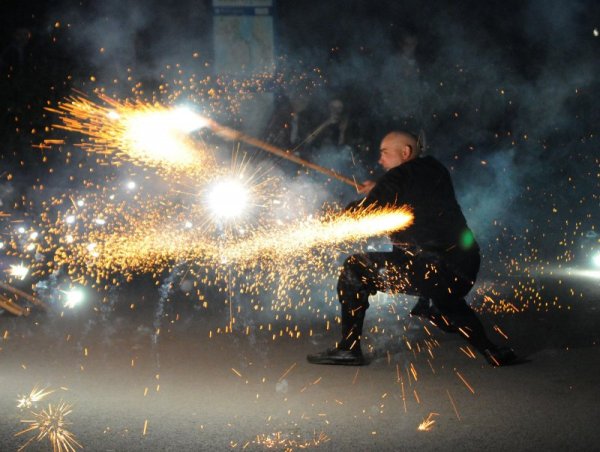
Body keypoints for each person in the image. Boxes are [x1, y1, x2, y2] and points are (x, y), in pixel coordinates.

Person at [307, 131, 517, 367]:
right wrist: (380, 188)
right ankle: (491, 350)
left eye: (384, 153)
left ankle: (348, 349)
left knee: (355, 268)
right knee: (444, 295)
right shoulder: (433, 168)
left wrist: (333, 216)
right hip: (463, 266)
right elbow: (412, 193)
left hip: (431, 267)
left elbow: (365, 212)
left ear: (405, 152)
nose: (380, 160)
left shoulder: (399, 175)